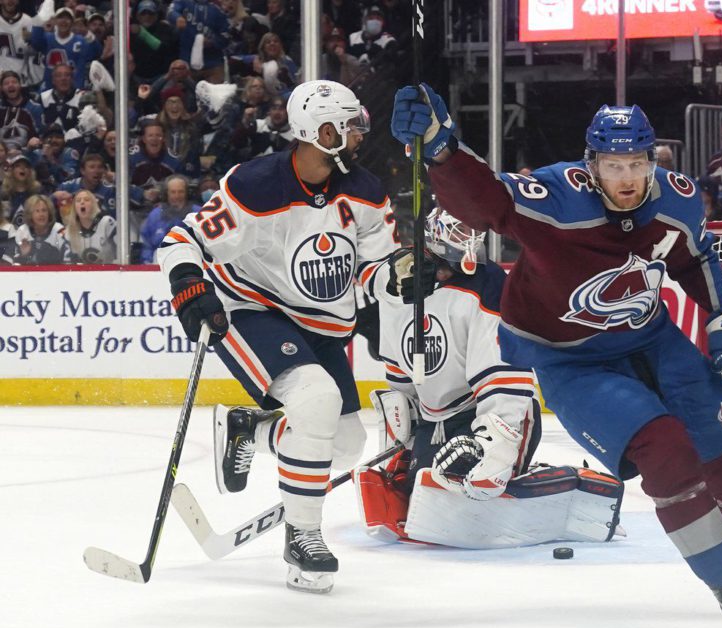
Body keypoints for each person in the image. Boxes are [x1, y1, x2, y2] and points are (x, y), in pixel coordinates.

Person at [391, 86, 722, 628]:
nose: (625, 177)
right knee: (668, 452)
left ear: (653, 160)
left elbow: (694, 256)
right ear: (590, 165)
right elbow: (487, 203)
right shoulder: (555, 197)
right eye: (612, 164)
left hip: (651, 340)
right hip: (573, 361)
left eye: (635, 163)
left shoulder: (676, 196)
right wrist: (440, 150)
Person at [157, 80, 396, 594]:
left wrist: (395, 286)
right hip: (252, 310)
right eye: (349, 127)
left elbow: (377, 267)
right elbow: (183, 240)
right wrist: (187, 284)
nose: (358, 136)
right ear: (322, 131)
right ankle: (303, 537)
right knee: (316, 399)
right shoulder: (258, 185)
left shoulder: (368, 192)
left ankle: (250, 431)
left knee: (348, 444)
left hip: (324, 325)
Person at [353, 208, 622, 548]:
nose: (467, 240)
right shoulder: (401, 283)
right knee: (416, 487)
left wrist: (491, 445)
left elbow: (504, 379)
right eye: (457, 231)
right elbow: (403, 381)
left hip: (491, 413)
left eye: (471, 231)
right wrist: (402, 444)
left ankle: (567, 482)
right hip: (438, 419)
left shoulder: (491, 285)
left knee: (475, 483)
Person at [140, 175, 199, 264]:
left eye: (180, 192)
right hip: (161, 261)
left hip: (193, 259)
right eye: (173, 192)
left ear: (187, 193)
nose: (177, 196)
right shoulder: (155, 215)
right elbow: (147, 245)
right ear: (166, 193)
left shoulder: (198, 213)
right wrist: (146, 262)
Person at [63, 189, 117, 264]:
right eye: (78, 200)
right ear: (74, 208)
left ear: (94, 204)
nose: (82, 202)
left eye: (87, 200)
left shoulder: (107, 222)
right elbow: (68, 262)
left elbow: (120, 252)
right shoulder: (70, 230)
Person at [14, 193, 70, 265]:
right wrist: (23, 255)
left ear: (49, 213)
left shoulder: (59, 229)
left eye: (44, 210)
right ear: (30, 214)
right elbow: (15, 263)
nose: (41, 214)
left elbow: (68, 259)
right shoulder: (22, 231)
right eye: (37, 211)